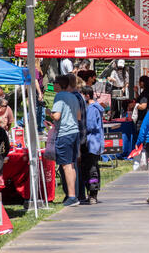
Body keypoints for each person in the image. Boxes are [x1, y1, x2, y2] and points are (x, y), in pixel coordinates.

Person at [47, 75, 81, 207]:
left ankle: (71, 196)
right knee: (71, 165)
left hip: (65, 134)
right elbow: (78, 116)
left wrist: (49, 112)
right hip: (75, 132)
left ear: (59, 85)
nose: (53, 85)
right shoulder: (73, 96)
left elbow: (56, 116)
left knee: (66, 165)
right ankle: (74, 195)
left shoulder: (59, 96)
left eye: (54, 83)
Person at [81, 86, 104, 205]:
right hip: (95, 142)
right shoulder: (96, 108)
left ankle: (93, 192)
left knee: (91, 169)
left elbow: (90, 126)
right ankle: (91, 192)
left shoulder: (91, 109)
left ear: (87, 96)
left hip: (91, 143)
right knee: (92, 167)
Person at [68, 74, 88, 202]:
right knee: (78, 167)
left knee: (74, 166)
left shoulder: (74, 98)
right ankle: (80, 193)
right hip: (81, 135)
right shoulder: (79, 97)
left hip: (77, 136)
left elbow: (77, 119)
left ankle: (78, 194)